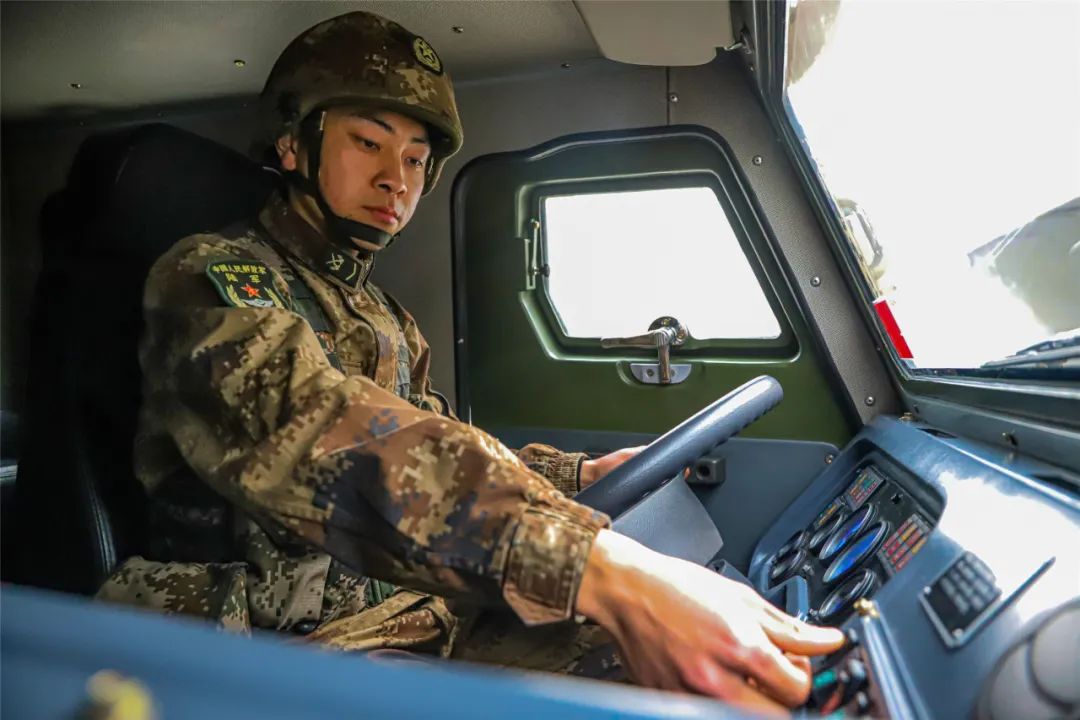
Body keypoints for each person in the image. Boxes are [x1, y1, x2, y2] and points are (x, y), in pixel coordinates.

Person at [97, 10, 843, 713]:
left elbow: (436, 437)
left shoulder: (381, 313)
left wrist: (577, 476)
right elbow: (321, 431)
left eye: (416, 159)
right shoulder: (212, 279)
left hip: (409, 611)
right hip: (278, 648)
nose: (397, 178)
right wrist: (591, 567)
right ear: (293, 144)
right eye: (369, 143)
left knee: (663, 670)